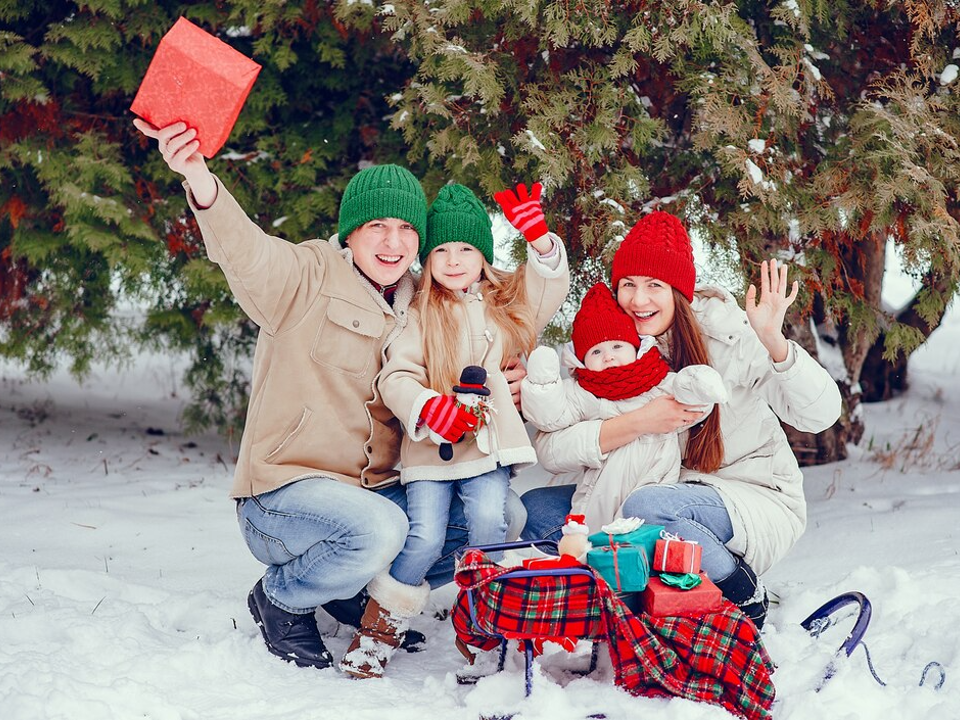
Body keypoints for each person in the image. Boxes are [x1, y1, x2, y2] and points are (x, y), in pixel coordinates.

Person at [132, 119, 528, 670]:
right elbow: (246, 253)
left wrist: (512, 375)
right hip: (285, 496)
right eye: (377, 227)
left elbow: (489, 336)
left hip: (374, 490)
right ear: (350, 232)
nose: (393, 243)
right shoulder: (306, 275)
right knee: (383, 528)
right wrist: (199, 177)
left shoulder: (424, 304)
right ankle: (281, 599)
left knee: (496, 513)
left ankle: (350, 595)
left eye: (407, 230)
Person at [520, 211, 842, 629]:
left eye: (654, 286)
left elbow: (820, 414)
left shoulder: (727, 339)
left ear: (678, 291)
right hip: (650, 492)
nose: (639, 300)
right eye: (628, 285)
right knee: (535, 512)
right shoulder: (610, 351)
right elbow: (550, 446)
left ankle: (742, 594)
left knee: (647, 507)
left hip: (748, 497)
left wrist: (774, 343)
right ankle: (628, 602)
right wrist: (640, 421)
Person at [339, 183, 570, 678]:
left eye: (466, 248)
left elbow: (547, 287)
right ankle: (377, 633)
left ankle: (486, 626)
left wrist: (542, 243)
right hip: (431, 450)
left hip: (486, 448)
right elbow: (396, 376)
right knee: (423, 537)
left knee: (490, 523)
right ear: (427, 257)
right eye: (441, 249)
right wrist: (427, 406)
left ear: (483, 255)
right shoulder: (418, 313)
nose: (453, 259)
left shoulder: (504, 308)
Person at [520, 281, 728, 532]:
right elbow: (550, 417)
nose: (608, 356)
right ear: (581, 360)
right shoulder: (585, 391)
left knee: (648, 539)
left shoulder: (658, 381)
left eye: (617, 346)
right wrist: (543, 386)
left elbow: (693, 406)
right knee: (595, 546)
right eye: (596, 352)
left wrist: (698, 385)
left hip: (655, 493)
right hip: (599, 502)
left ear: (635, 346)